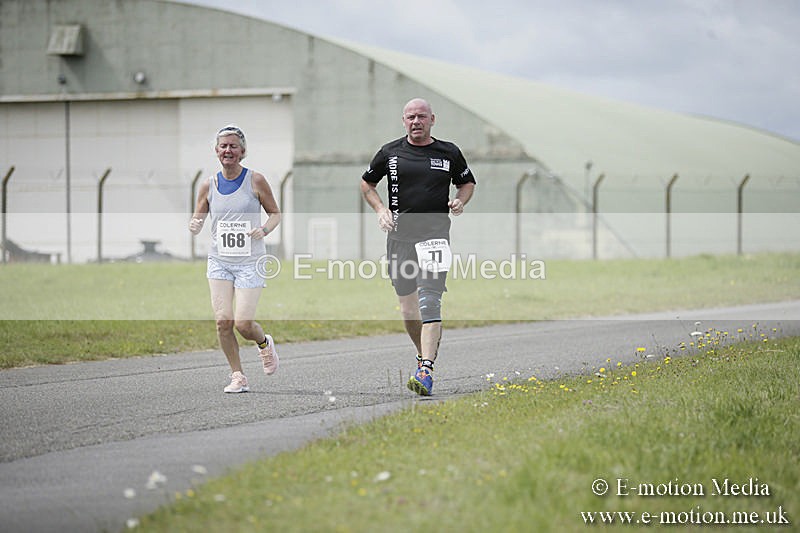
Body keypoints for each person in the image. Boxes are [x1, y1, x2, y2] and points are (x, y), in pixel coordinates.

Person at [360, 98, 476, 396]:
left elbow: (467, 183)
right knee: (408, 310)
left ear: (432, 120)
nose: (416, 121)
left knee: (430, 302)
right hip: (400, 240)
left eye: (421, 116)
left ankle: (426, 369)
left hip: (435, 238)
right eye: (410, 117)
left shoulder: (449, 152)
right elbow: (367, 184)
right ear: (403, 121)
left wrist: (460, 201)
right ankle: (423, 353)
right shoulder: (390, 152)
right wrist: (380, 209)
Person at [189, 125, 281, 393]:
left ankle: (264, 343)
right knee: (223, 321)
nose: (228, 150)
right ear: (216, 151)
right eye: (223, 146)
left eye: (233, 146)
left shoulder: (256, 180)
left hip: (250, 262)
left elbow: (275, 214)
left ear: (242, 151)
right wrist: (195, 224)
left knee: (243, 324)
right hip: (220, 261)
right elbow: (198, 216)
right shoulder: (208, 185)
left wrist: (263, 230)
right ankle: (237, 375)